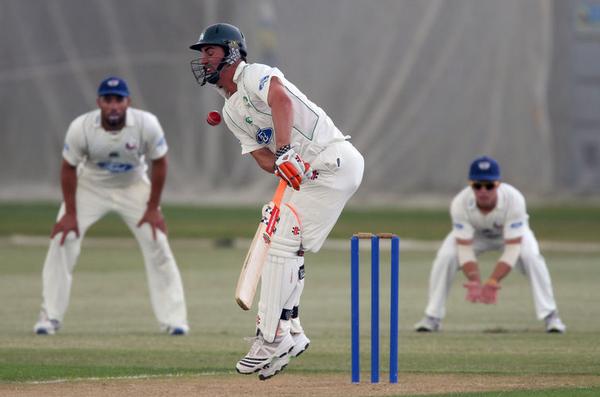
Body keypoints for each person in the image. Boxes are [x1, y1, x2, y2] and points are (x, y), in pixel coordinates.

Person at [189, 23, 364, 380]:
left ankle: (271, 337)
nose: (204, 59)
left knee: (283, 238)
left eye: (210, 51)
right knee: (282, 236)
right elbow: (265, 161)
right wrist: (283, 163)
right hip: (311, 173)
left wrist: (286, 151)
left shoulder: (254, 74)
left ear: (232, 52)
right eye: (202, 53)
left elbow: (281, 100)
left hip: (334, 160)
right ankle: (292, 332)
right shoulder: (231, 112)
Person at [33, 77, 189, 336]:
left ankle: (174, 320)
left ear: (128, 102)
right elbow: (68, 168)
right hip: (91, 184)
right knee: (63, 239)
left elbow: (160, 163)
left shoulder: (146, 124)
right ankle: (49, 316)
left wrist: (152, 208)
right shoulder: (81, 127)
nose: (114, 106)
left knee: (157, 241)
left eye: (119, 100)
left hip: (133, 185)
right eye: (108, 100)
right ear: (99, 103)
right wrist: (71, 214)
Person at [414, 156, 566, 334]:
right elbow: (464, 247)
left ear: (498, 184)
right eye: (477, 185)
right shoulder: (459, 203)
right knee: (445, 257)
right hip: (476, 235)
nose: (483, 191)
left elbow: (513, 248)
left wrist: (493, 281)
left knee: (531, 257)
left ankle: (551, 316)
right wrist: (474, 280)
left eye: (489, 185)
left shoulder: (514, 199)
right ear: (470, 184)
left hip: (510, 236)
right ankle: (432, 317)